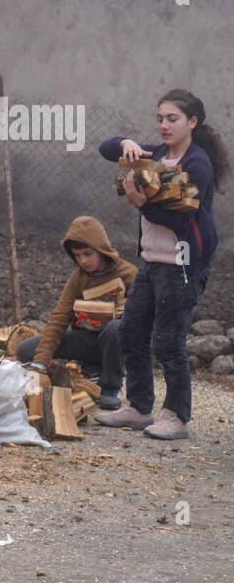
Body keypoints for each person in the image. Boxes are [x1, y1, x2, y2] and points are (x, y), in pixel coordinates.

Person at [95, 89, 227, 440]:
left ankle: (177, 416)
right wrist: (125, 143)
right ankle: (138, 407)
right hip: (152, 261)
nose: (165, 126)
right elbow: (105, 149)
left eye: (173, 119)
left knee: (169, 341)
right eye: (160, 119)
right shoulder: (154, 155)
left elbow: (183, 221)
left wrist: (140, 202)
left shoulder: (196, 164)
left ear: (192, 122)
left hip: (182, 264)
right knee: (131, 331)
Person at [15, 216, 136, 411]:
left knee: (115, 328)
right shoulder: (77, 279)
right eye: (78, 255)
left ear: (101, 249)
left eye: (88, 254)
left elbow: (144, 317)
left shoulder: (128, 273)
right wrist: (40, 362)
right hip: (88, 341)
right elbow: (59, 318)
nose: (83, 261)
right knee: (24, 351)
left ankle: (111, 387)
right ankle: (90, 369)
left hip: (118, 343)